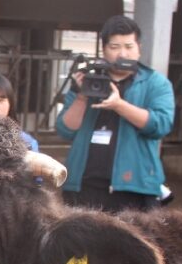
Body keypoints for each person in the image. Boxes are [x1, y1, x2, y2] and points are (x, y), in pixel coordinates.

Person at [55, 15, 175, 212]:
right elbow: (65, 130)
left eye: (129, 46)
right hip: (84, 186)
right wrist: (81, 95)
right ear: (104, 50)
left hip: (134, 188)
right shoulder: (89, 79)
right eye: (114, 47)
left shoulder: (155, 83)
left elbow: (160, 125)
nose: (122, 53)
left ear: (139, 48)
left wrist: (119, 105)